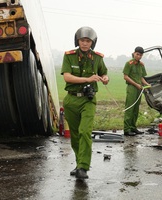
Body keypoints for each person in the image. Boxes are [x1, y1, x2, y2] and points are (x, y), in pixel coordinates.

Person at [61, 26, 109, 179]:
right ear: (78, 41)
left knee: (85, 132)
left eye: (88, 41)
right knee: (75, 135)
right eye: (82, 40)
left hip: (88, 100)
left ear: (92, 42)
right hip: (71, 99)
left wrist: (105, 78)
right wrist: (87, 79)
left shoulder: (98, 58)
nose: (85, 44)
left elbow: (104, 73)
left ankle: (83, 167)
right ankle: (78, 163)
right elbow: (67, 77)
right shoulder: (69, 56)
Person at [123, 46, 150, 136]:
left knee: (136, 109)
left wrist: (147, 84)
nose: (139, 56)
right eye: (137, 54)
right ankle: (127, 129)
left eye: (140, 55)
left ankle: (133, 127)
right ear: (134, 53)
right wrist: (136, 84)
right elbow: (125, 76)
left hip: (139, 89)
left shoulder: (141, 65)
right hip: (132, 88)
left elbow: (141, 77)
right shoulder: (129, 63)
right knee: (130, 108)